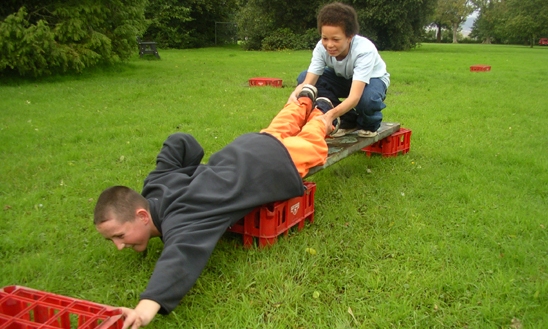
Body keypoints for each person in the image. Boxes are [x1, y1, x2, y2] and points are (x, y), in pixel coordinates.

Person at [93, 85, 337, 329]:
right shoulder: (154, 186)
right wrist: (195, 171)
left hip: (273, 163)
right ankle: (303, 99)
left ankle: (322, 110)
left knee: (313, 141)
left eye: (120, 235)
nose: (118, 246)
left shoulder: (181, 219)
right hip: (247, 146)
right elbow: (180, 141)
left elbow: (179, 259)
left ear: (142, 215)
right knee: (280, 127)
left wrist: (144, 311)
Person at [287, 2, 390, 138]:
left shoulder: (364, 50)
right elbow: (308, 81)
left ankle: (369, 124)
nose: (329, 45)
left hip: (372, 80)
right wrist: (294, 95)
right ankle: (348, 121)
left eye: (336, 39)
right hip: (344, 78)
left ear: (350, 37)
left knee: (367, 100)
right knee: (303, 79)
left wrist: (329, 115)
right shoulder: (321, 48)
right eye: (325, 38)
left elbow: (355, 96)